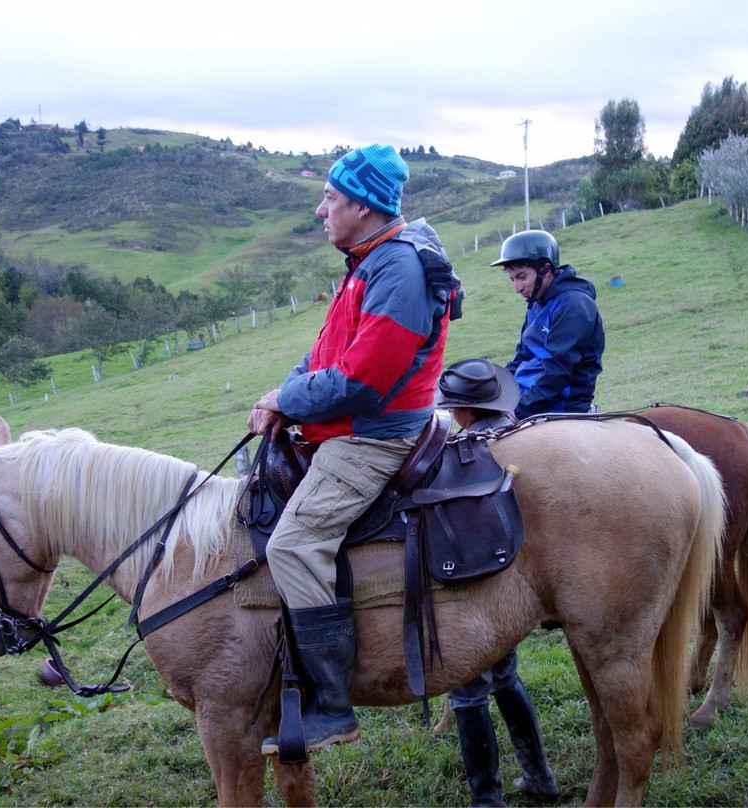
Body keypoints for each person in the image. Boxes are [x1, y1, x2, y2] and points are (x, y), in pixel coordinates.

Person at [246, 144, 458, 757]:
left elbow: (363, 382)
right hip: (353, 422)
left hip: (374, 435)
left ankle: (332, 707)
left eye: (331, 198)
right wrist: (283, 391)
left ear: (363, 207)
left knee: (294, 541)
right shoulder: (369, 261)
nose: (321, 211)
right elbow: (326, 355)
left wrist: (290, 399)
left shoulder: (398, 271)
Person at [435, 358, 560, 807]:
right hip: (515, 588)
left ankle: (487, 800)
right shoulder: (517, 441)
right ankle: (540, 776)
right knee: (505, 678)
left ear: (464, 413)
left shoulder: (461, 457)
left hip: (473, 586)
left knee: (468, 693)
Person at [493, 230, 604, 418]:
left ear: (545, 268)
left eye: (522, 277)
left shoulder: (572, 306)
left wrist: (519, 411)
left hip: (561, 408)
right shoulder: (536, 303)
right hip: (527, 400)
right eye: (512, 279)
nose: (517, 288)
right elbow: (522, 356)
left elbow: (558, 373)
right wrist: (496, 387)